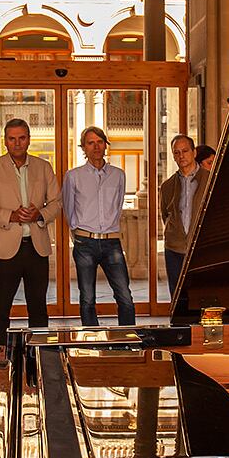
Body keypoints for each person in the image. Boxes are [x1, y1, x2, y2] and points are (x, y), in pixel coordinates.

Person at [0, 118, 61, 361]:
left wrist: (40, 214)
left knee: (39, 308)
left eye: (22, 138)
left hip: (36, 249)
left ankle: (41, 359)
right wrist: (10, 216)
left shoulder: (43, 167)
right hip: (5, 250)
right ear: (5, 141)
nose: (17, 143)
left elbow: (57, 202)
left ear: (29, 139)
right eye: (12, 138)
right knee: (1, 309)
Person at [62, 126, 134, 327]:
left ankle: (128, 341)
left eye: (99, 142)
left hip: (112, 242)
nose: (96, 147)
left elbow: (118, 205)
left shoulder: (118, 175)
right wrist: (78, 231)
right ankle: (91, 341)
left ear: (105, 145)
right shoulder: (73, 176)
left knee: (125, 296)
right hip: (85, 242)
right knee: (87, 298)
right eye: (90, 143)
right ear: (83, 147)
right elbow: (68, 209)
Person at [159, 134, 210, 295]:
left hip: (202, 249)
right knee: (177, 297)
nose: (181, 155)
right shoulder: (167, 186)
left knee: (203, 296)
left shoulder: (211, 180)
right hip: (175, 250)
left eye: (185, 151)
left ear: (194, 153)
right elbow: (165, 215)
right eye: (176, 152)